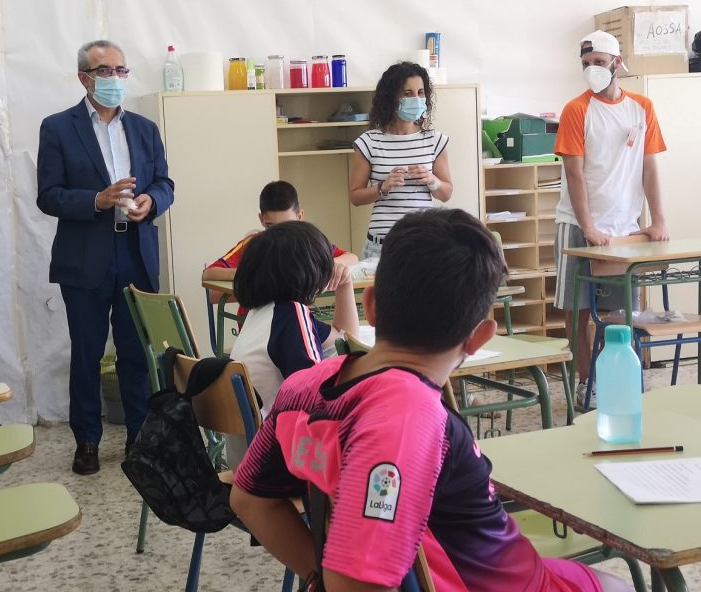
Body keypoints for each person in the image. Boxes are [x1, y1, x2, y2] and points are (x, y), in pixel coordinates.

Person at [231, 208, 632, 591]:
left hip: (479, 572)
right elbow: (355, 582)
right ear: (479, 337)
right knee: (617, 583)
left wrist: (316, 575)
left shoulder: (301, 389)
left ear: (371, 306)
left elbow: (249, 499)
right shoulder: (407, 419)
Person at [36, 40, 174, 475]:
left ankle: (138, 437)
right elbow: (48, 196)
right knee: (87, 352)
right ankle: (87, 441)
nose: (115, 78)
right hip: (85, 256)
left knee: (136, 352)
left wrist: (152, 200)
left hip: (135, 252)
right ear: (84, 77)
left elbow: (165, 183)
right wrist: (97, 200)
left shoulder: (145, 129)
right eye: (104, 70)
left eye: (120, 70)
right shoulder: (58, 128)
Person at [554, 30, 668, 410]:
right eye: (585, 64)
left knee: (620, 314)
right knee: (577, 310)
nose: (592, 70)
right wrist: (588, 226)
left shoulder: (641, 107)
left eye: (599, 63)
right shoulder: (576, 110)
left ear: (617, 63)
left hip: (624, 229)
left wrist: (658, 220)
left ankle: (614, 377)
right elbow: (574, 174)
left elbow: (649, 168)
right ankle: (586, 383)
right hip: (577, 224)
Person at [225, 220, 359, 469]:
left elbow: (343, 337)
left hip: (247, 459)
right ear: (306, 271)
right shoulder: (291, 316)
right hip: (274, 462)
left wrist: (345, 284)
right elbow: (317, 398)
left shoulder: (264, 314)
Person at [348, 61, 453, 259]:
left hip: (424, 243)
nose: (417, 99)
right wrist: (382, 187)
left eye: (420, 92)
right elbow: (355, 197)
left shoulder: (435, 140)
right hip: (381, 246)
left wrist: (431, 180)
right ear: (391, 98)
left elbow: (446, 193)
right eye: (408, 93)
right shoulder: (369, 142)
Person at [201, 180, 357, 296]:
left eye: (287, 226)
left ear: (299, 216)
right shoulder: (254, 244)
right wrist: (252, 274)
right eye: (272, 227)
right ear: (261, 219)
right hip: (257, 323)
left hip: (295, 317)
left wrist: (333, 264)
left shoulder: (307, 243)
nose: (280, 234)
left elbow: (352, 257)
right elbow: (209, 273)